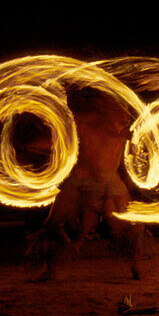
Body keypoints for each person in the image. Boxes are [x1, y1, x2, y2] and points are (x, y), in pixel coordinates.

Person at [31, 88, 150, 281]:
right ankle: (51, 269)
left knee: (128, 228)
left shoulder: (122, 129)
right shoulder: (82, 122)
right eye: (120, 111)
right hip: (79, 182)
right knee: (52, 224)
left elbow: (123, 161)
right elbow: (58, 144)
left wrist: (132, 183)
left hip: (109, 184)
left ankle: (136, 267)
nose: (125, 116)